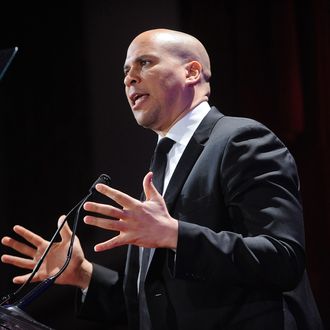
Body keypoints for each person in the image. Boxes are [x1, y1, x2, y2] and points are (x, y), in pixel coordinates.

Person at [1, 28, 323, 330]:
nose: (129, 78)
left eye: (144, 62)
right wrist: (83, 275)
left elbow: (283, 258)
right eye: (125, 71)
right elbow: (154, 302)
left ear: (192, 72)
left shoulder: (241, 140)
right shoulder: (162, 163)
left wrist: (177, 235)